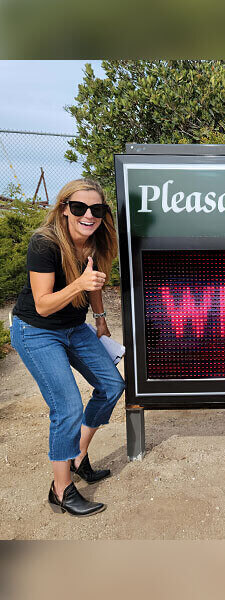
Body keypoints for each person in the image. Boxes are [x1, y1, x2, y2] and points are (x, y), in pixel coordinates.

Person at [10, 178, 125, 517]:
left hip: (75, 328)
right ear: (64, 210)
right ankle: (61, 490)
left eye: (97, 209)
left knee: (111, 385)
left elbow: (95, 283)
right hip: (37, 331)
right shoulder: (44, 244)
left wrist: (101, 319)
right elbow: (44, 305)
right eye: (79, 208)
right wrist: (79, 282)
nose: (88, 215)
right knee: (68, 407)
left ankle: (77, 456)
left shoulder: (98, 240)